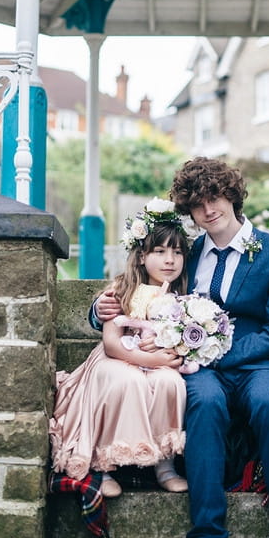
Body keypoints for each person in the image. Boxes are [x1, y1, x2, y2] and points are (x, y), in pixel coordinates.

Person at [92, 158, 269, 538]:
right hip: (197, 370)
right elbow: (140, 283)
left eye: (215, 199)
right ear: (190, 211)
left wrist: (217, 353)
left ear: (232, 196)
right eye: (197, 205)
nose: (208, 210)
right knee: (205, 403)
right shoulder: (186, 254)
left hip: (255, 363)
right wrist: (97, 311)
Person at [51, 200, 193, 498]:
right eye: (160, 251)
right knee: (124, 380)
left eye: (177, 252)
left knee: (170, 382)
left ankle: (164, 465)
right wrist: (151, 359)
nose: (170, 260)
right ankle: (104, 465)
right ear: (142, 256)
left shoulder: (183, 297)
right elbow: (112, 345)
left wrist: (168, 358)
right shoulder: (121, 290)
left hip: (158, 363)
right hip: (117, 358)